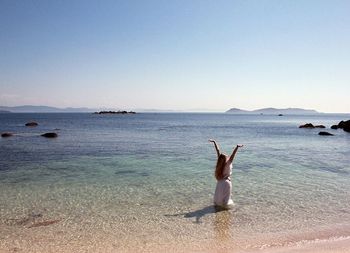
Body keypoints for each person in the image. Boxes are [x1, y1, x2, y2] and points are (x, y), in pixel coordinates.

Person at [209, 139, 243, 209]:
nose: (228, 157)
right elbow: (233, 154)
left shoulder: (220, 164)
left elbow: (218, 151)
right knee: (226, 200)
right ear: (225, 159)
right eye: (226, 157)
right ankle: (226, 211)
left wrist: (214, 142)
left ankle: (218, 209)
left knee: (219, 197)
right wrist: (237, 147)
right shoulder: (228, 163)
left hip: (220, 182)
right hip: (227, 182)